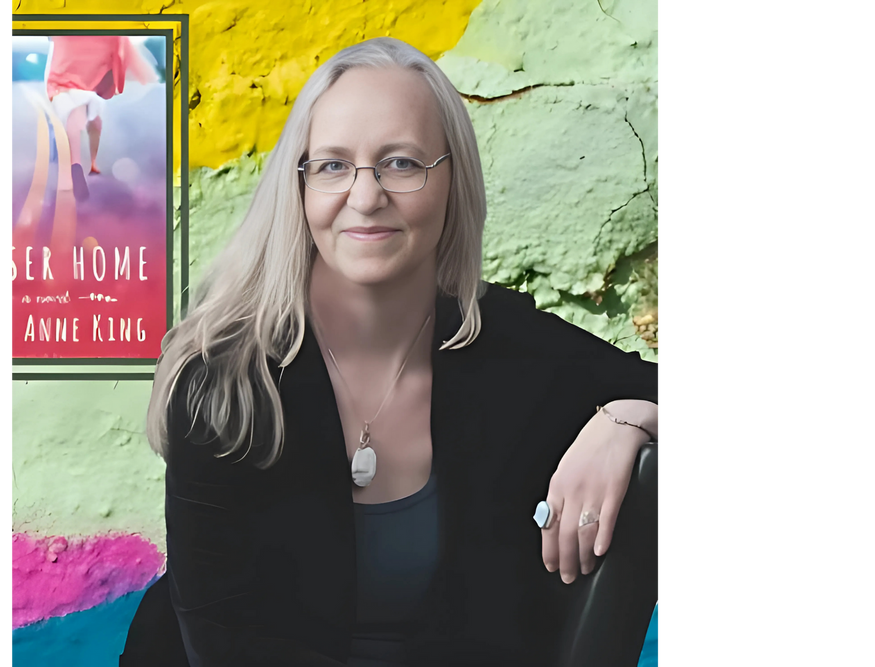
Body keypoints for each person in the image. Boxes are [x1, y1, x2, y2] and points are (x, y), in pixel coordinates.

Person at [145, 37, 662, 667]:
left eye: (402, 163)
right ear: (299, 186)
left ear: (453, 181)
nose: (366, 198)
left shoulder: (500, 342)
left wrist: (629, 418)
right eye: (333, 165)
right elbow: (230, 650)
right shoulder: (224, 381)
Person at [43, 36, 157, 201]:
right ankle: (79, 166)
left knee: (89, 119)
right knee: (84, 117)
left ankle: (83, 165)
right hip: (71, 86)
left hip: (69, 86)